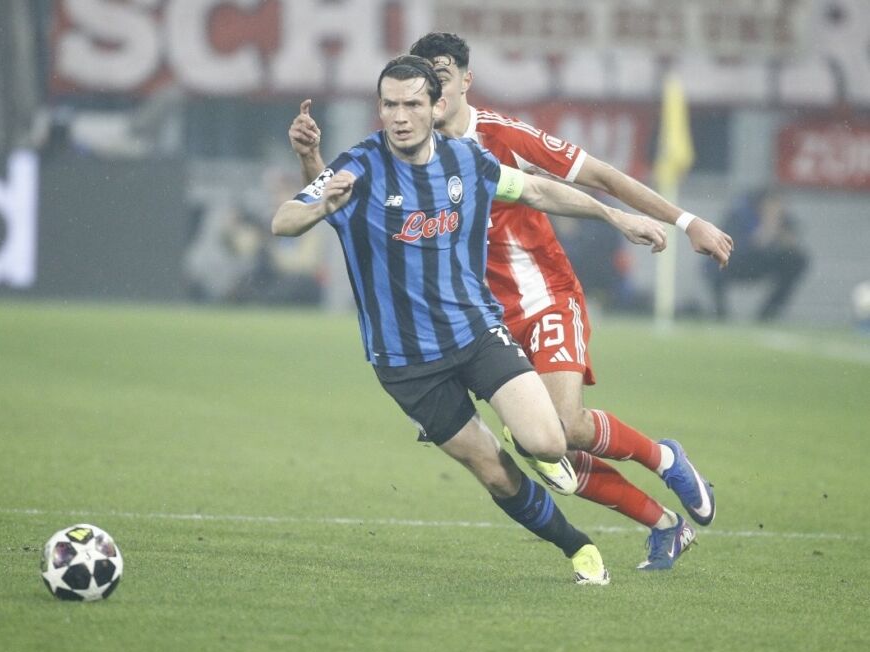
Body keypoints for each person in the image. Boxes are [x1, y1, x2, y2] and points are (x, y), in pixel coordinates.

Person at [288, 33, 734, 571]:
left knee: (562, 430)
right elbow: (329, 206)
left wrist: (685, 221)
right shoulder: (390, 151)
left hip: (540, 295)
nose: (426, 96)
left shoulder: (498, 138)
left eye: (441, 79)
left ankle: (665, 457)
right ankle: (665, 526)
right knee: (547, 449)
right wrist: (311, 161)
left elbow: (596, 176)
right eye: (407, 93)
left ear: (460, 83)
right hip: (467, 319)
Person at [709, 187, 808, 322]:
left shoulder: (784, 219)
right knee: (712, 266)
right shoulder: (741, 215)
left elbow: (792, 246)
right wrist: (767, 227)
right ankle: (721, 313)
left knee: (798, 261)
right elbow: (740, 246)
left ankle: (768, 313)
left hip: (764, 264)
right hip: (736, 263)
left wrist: (782, 236)